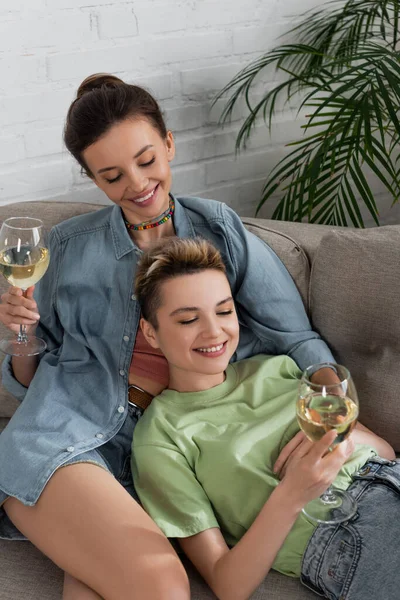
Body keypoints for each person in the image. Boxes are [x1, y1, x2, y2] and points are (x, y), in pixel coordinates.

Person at [0, 73, 339, 600]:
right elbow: (28, 381)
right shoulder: (67, 246)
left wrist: (331, 405)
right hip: (68, 435)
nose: (136, 184)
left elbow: (293, 335)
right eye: (111, 176)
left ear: (169, 144)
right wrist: (21, 335)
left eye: (146, 160)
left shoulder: (218, 228)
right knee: (161, 585)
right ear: (94, 180)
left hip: (165, 453)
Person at [131, 236, 397, 600]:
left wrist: (341, 439)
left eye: (224, 312)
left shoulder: (279, 368)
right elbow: (228, 584)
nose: (214, 331)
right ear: (151, 333)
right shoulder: (161, 438)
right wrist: (292, 493)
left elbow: (385, 450)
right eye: (189, 319)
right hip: (346, 536)